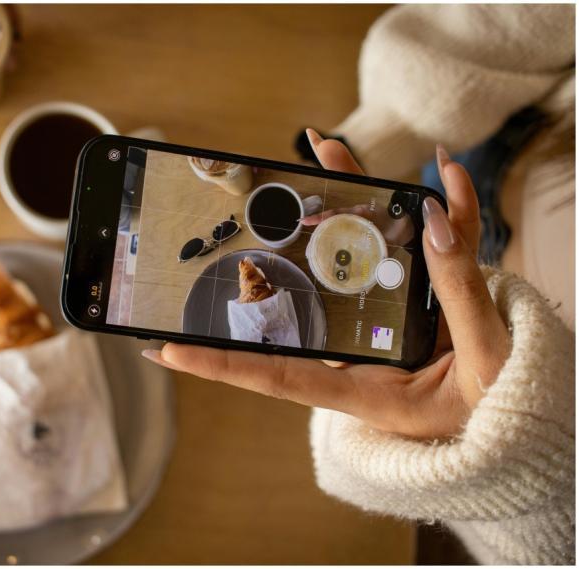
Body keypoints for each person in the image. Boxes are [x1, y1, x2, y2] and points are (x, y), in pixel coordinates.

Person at [143, 6, 575, 562]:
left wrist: (516, 456)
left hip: (430, 358)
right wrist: (390, 136)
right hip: (485, 146)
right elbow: (500, 24)